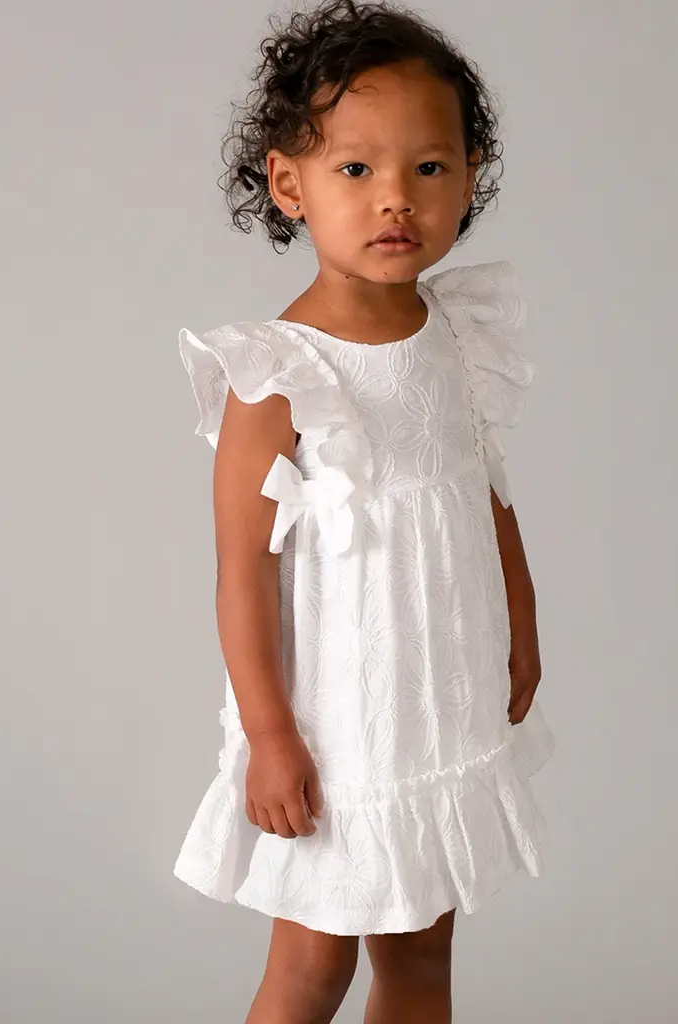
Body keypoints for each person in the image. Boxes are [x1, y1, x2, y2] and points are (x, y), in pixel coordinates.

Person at [173, 1, 554, 1020]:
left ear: (469, 175)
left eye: (428, 167)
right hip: (339, 723)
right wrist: (269, 734)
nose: (396, 198)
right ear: (288, 184)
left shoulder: (452, 331)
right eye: (355, 169)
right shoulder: (277, 373)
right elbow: (242, 571)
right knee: (314, 964)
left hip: (436, 696)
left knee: (423, 953)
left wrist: (520, 626)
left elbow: (482, 489)